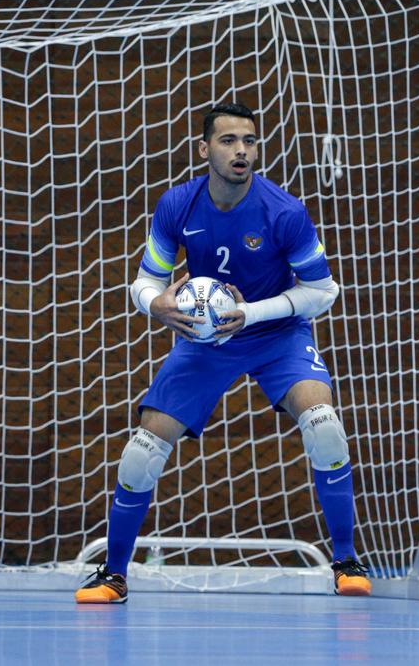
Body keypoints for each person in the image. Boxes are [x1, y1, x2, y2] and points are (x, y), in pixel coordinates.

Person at [75, 102, 372, 604]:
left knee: (325, 424)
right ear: (204, 148)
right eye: (229, 140)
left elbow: (323, 292)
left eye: (250, 141)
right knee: (140, 453)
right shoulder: (177, 205)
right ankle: (113, 574)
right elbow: (146, 280)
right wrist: (158, 303)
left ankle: (345, 561)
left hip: (276, 333)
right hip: (205, 341)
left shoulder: (284, 211)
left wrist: (251, 313)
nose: (241, 150)